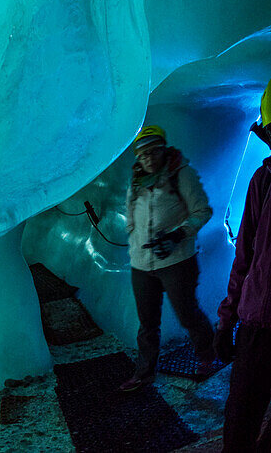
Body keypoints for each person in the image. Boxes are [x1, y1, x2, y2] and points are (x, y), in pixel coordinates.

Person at [118, 124, 216, 391]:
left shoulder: (180, 174)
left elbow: (202, 211)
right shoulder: (137, 179)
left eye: (153, 151)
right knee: (147, 324)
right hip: (141, 264)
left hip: (177, 262)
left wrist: (177, 235)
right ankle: (144, 373)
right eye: (143, 154)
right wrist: (135, 238)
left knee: (187, 315)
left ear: (163, 149)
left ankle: (207, 356)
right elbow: (130, 213)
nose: (148, 158)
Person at [215, 83, 271, 452]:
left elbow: (245, 258)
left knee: (242, 423)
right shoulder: (263, 180)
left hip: (258, 323)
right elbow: (246, 257)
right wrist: (227, 319)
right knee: (241, 427)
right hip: (258, 324)